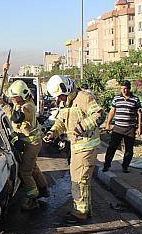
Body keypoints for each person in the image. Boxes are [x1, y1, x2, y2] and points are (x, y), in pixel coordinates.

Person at [44, 75, 103, 223]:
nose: (59, 100)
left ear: (67, 89)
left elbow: (98, 114)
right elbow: (60, 122)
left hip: (86, 146)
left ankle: (80, 213)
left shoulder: (83, 97)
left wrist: (83, 126)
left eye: (60, 96)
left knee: (79, 180)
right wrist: (53, 132)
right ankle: (85, 209)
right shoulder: (65, 103)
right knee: (81, 180)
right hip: (77, 147)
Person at [0, 66, 49, 210]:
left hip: (32, 142)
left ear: (22, 95)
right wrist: (4, 72)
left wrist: (4, 106)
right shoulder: (19, 102)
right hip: (28, 141)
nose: (13, 100)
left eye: (15, 97)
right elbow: (8, 89)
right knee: (32, 168)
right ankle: (43, 189)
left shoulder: (28, 107)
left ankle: (33, 199)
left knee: (25, 172)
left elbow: (16, 118)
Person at [102, 80, 142, 173]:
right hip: (118, 127)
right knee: (112, 147)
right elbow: (112, 111)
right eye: (122, 89)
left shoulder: (135, 99)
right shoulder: (117, 99)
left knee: (129, 149)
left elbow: (139, 114)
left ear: (129, 88)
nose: (124, 91)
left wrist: (140, 127)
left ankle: (125, 166)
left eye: (126, 89)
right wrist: (108, 123)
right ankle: (106, 165)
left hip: (130, 128)